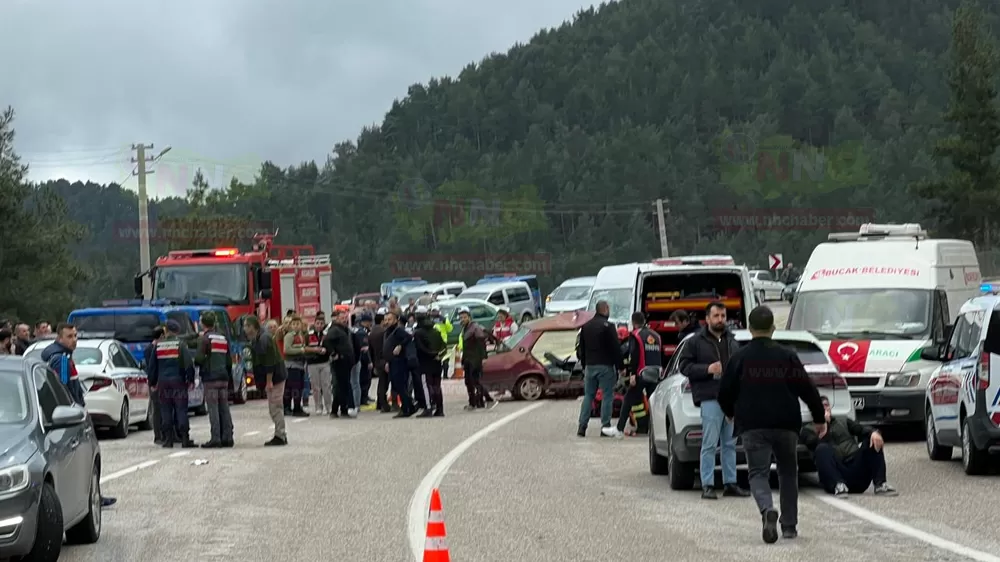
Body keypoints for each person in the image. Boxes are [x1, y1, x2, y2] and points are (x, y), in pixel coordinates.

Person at [718, 305, 825, 543]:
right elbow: (806, 388)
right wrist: (818, 418)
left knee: (757, 473)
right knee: (788, 472)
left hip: (753, 425)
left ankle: (767, 509)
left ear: (750, 328)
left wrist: (729, 412)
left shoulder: (739, 357)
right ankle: (789, 525)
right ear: (773, 328)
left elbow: (724, 391)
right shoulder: (787, 355)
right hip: (786, 424)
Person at [676, 301, 749, 499]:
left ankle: (730, 483)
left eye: (723, 316)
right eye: (716, 316)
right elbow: (684, 366)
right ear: (707, 319)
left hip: (731, 399)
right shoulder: (695, 341)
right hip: (710, 397)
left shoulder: (732, 341)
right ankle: (707, 484)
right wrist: (707, 369)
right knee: (709, 443)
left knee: (730, 443)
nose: (720, 320)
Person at [42, 323, 117, 507]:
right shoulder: (61, 359)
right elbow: (64, 388)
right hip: (72, 416)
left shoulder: (60, 356)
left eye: (75, 335)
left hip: (70, 414)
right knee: (87, 456)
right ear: (59, 338)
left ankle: (93, 496)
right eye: (69, 336)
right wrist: (75, 411)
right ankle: (92, 498)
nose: (74, 340)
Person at [800, 396, 898, 497]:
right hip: (835, 473)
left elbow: (861, 429)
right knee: (822, 449)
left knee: (872, 439)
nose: (824, 409)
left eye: (826, 405)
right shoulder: (808, 430)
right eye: (820, 407)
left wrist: (874, 432)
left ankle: (880, 484)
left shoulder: (843, 421)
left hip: (856, 470)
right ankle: (838, 485)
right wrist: (824, 426)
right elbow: (815, 445)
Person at [147, 320, 197, 448]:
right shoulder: (180, 345)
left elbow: (152, 366)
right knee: (181, 409)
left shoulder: (158, 346)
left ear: (166, 330)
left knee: (165, 410)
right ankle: (185, 439)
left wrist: (153, 382)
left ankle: (168, 440)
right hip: (178, 382)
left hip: (163, 383)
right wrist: (190, 380)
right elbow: (188, 364)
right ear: (177, 331)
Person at [576, 300, 623, 437]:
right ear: (606, 309)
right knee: (607, 396)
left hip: (590, 366)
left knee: (589, 396)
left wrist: (585, 365)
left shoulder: (586, 326)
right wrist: (621, 366)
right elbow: (615, 348)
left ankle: (582, 426)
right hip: (605, 366)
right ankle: (605, 427)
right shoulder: (608, 327)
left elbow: (581, 349)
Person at [615, 312, 662, 436]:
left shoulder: (636, 335)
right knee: (655, 403)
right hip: (656, 373)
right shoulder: (656, 335)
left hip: (641, 373)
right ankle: (656, 429)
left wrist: (632, 374)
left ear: (634, 322)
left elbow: (634, 355)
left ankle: (619, 429)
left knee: (628, 399)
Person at [244, 316, 287, 446]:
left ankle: (280, 435)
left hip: (275, 377)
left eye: (247, 326)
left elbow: (270, 362)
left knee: (275, 407)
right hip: (273, 377)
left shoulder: (264, 338)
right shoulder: (257, 338)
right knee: (273, 407)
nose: (245, 329)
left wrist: (268, 381)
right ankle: (281, 434)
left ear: (253, 327)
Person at [195, 313, 235, 448]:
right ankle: (228, 437)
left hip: (210, 378)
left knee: (213, 409)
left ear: (203, 323)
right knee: (224, 408)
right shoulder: (222, 338)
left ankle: (216, 438)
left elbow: (199, 359)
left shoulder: (205, 339)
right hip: (223, 378)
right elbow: (229, 360)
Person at [458, 307, 496, 410]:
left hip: (475, 359)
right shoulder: (465, 329)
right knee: (469, 382)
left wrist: (483, 358)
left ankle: (479, 402)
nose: (462, 319)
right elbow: (465, 347)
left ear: (469, 317)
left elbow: (481, 344)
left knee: (474, 381)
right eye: (461, 318)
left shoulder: (475, 328)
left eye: (464, 317)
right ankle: (478, 401)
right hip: (468, 359)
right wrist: (462, 361)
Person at [324, 310, 356, 418]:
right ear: (336, 318)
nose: (344, 319)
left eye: (345, 317)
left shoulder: (343, 329)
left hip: (346, 361)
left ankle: (337, 409)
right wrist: (333, 354)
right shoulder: (334, 330)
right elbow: (327, 341)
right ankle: (342, 409)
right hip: (340, 361)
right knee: (341, 386)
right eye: (342, 318)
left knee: (343, 386)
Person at [413, 311, 446, 417]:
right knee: (437, 386)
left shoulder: (418, 333)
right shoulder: (436, 331)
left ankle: (428, 407)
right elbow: (444, 346)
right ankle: (440, 408)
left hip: (425, 363)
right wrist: (439, 355)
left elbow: (420, 348)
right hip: (437, 362)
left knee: (426, 385)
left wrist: (431, 354)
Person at [384, 310, 416, 418]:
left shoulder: (398, 330)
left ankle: (406, 408)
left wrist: (400, 346)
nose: (387, 321)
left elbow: (409, 337)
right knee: (397, 386)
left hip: (399, 362)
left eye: (390, 319)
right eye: (386, 319)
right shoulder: (388, 331)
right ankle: (408, 406)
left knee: (401, 386)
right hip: (392, 362)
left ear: (396, 320)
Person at [282, 315, 310, 417]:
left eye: (298, 324)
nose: (296, 326)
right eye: (294, 324)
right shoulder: (289, 336)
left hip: (300, 365)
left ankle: (295, 407)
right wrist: (301, 350)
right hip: (291, 365)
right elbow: (287, 350)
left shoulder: (301, 335)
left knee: (298, 388)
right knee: (293, 388)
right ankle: (290, 408)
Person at [306, 312, 332, 415]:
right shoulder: (309, 335)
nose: (319, 325)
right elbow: (305, 347)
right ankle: (318, 406)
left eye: (321, 323)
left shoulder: (326, 335)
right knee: (315, 387)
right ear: (314, 323)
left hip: (324, 362)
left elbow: (330, 347)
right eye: (318, 323)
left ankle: (328, 406)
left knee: (326, 385)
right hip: (312, 363)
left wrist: (326, 350)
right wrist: (314, 350)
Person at [144, 326, 167, 445]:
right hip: (155, 382)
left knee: (161, 409)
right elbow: (152, 367)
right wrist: (154, 382)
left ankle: (163, 434)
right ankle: (158, 435)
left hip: (158, 382)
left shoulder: (152, 348)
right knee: (157, 410)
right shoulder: (151, 349)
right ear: (161, 336)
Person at [350, 313, 372, 412]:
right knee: (362, 381)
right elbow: (364, 349)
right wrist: (368, 361)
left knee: (355, 381)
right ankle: (362, 400)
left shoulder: (353, 329)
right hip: (360, 359)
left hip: (353, 359)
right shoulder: (362, 332)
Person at [370, 310, 391, 412]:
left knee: (381, 382)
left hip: (376, 360)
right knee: (384, 383)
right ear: (382, 321)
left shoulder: (372, 332)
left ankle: (380, 403)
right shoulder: (383, 332)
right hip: (383, 359)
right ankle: (383, 403)